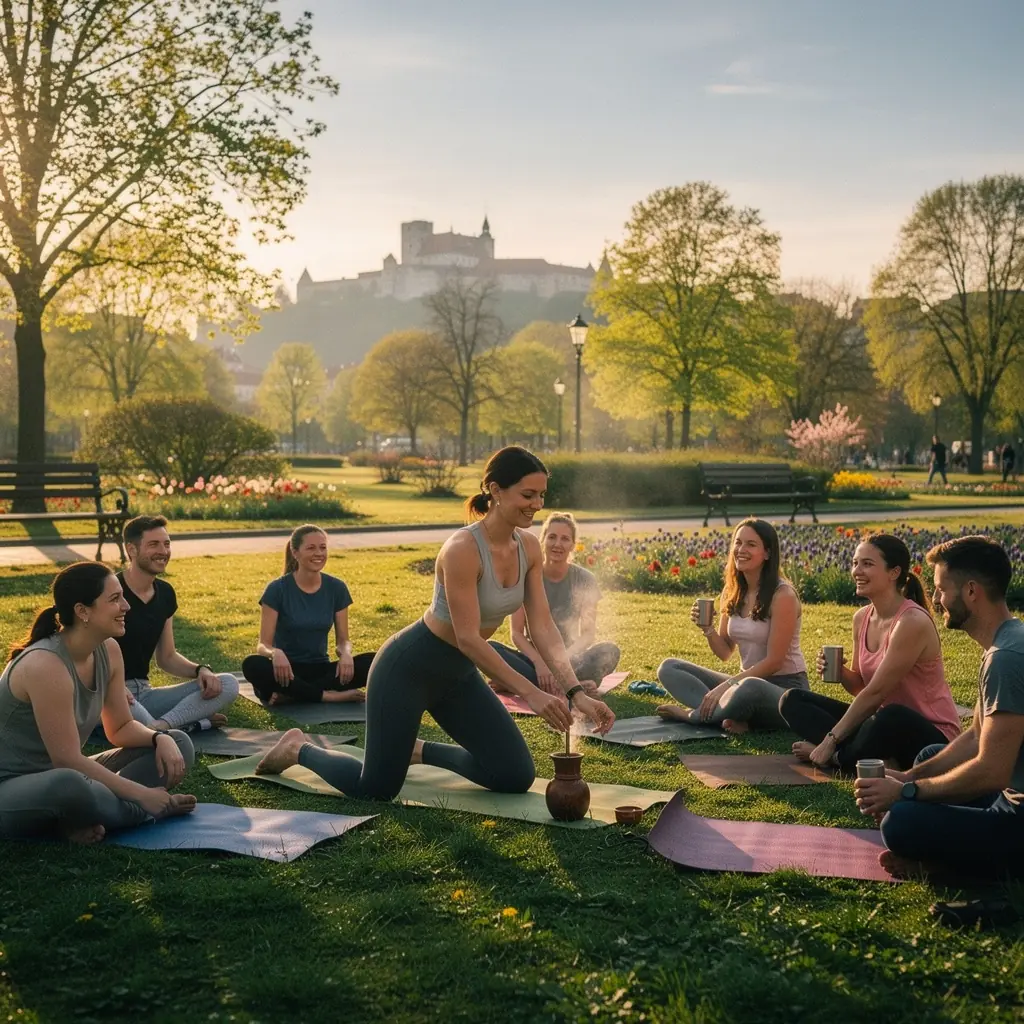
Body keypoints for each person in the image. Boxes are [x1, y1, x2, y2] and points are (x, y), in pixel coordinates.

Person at [255, 447, 615, 799]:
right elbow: (468, 639)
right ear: (496, 490)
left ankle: (417, 750)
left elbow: (543, 627)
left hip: (457, 675)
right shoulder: (463, 549)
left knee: (514, 774)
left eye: (541, 495)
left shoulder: (529, 548)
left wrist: (576, 693)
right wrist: (531, 693)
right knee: (375, 788)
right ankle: (298, 749)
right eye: (528, 494)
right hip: (408, 669)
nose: (537, 504)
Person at [856, 536, 1024, 878]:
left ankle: (960, 868)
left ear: (971, 591)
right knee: (929, 757)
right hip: (1009, 793)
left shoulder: (1005, 658)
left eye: (941, 589)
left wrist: (906, 792)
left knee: (900, 821)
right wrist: (910, 777)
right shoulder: (1007, 640)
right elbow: (976, 735)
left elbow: (992, 772)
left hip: (1016, 814)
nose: (934, 598)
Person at [0, 561, 197, 844]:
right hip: (13, 786)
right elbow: (67, 760)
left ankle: (87, 816)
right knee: (70, 784)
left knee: (178, 743)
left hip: (61, 773)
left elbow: (121, 727)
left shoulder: (109, 650)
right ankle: (143, 811)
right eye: (115, 599)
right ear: (83, 611)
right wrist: (142, 794)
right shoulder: (45, 665)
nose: (126, 606)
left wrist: (158, 738)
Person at [780, 534, 961, 771]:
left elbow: (876, 693)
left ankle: (840, 757)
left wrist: (830, 740)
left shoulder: (911, 621)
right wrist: (841, 672)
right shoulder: (862, 618)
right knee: (793, 700)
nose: (857, 571)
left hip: (931, 736)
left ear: (894, 572)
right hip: (881, 724)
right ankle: (871, 757)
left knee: (890, 716)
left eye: (867, 564)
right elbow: (861, 688)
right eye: (855, 563)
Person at [654, 518, 809, 734]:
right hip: (743, 685)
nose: (741, 550)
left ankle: (694, 716)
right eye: (738, 542)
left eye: (751, 544)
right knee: (670, 668)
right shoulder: (732, 591)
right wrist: (708, 629)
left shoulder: (783, 595)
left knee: (748, 687)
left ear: (767, 553)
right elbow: (725, 652)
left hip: (786, 689)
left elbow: (774, 662)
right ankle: (727, 716)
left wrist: (727, 686)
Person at [116, 515, 239, 732]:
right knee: (131, 718)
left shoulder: (165, 593)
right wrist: (111, 688)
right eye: (154, 544)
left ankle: (161, 726)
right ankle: (191, 724)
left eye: (166, 544)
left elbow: (167, 658)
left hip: (144, 694)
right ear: (132, 550)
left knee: (228, 683)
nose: (163, 551)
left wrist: (201, 670)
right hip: (110, 694)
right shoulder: (111, 590)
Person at [241, 524, 375, 705]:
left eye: (323, 547)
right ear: (295, 552)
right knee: (252, 664)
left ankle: (294, 694)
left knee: (375, 661)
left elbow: (343, 641)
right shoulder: (277, 589)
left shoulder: (337, 588)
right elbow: (263, 645)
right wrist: (275, 653)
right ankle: (328, 696)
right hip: (285, 671)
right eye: (311, 548)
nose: (319, 553)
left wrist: (346, 653)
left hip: (320, 670)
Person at [488, 512, 620, 695]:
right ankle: (574, 685)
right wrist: (540, 664)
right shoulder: (525, 577)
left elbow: (588, 634)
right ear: (543, 540)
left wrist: (562, 660)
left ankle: (520, 683)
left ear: (573, 544)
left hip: (571, 659)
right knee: (490, 649)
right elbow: (517, 633)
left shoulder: (585, 580)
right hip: (534, 660)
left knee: (610, 651)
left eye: (565, 539)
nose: (558, 544)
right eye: (552, 537)